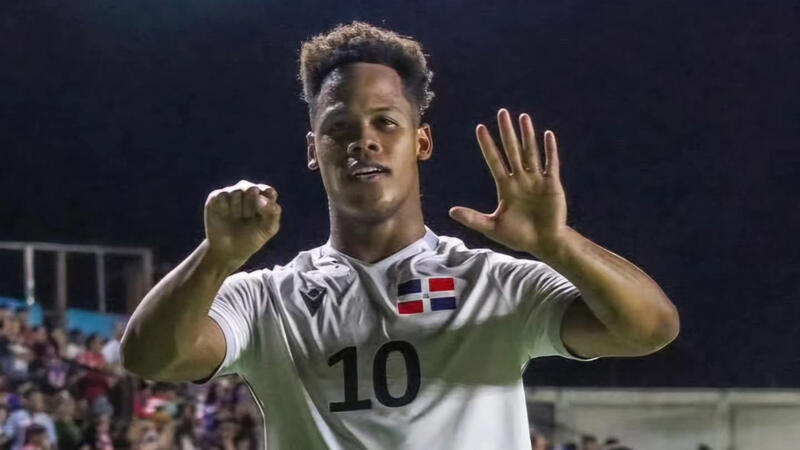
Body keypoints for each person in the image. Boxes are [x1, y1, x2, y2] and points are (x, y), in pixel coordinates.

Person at [120, 20, 680, 449]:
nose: (362, 141)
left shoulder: (493, 283)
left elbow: (650, 329)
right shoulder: (267, 298)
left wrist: (559, 244)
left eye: (385, 122)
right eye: (338, 128)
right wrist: (216, 257)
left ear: (421, 141)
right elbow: (151, 358)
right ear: (314, 150)